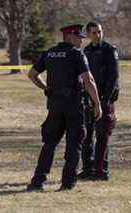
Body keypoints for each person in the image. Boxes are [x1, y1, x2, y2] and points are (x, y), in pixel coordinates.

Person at [27, 24, 102, 191]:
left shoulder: (50, 53)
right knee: (74, 145)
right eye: (79, 37)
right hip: (74, 106)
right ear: (70, 36)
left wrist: (46, 88)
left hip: (54, 105)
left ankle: (37, 182)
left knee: (49, 145)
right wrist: (97, 103)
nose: (82, 41)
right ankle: (67, 184)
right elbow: (88, 80)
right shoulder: (76, 54)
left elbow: (32, 74)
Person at [78, 21, 119, 181]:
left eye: (99, 32)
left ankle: (101, 171)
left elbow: (113, 77)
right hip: (88, 99)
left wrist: (103, 101)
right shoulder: (86, 51)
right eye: (94, 32)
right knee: (86, 136)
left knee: (102, 136)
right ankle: (88, 169)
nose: (97, 35)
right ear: (88, 34)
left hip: (104, 99)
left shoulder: (110, 50)